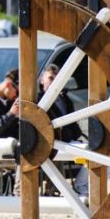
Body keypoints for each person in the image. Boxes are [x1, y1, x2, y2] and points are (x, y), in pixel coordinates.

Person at [38, 64, 88, 197]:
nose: (53, 82)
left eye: (56, 79)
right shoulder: (38, 99)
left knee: (97, 151)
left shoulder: (64, 98)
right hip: (47, 142)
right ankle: (72, 187)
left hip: (66, 141)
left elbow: (72, 127)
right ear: (42, 80)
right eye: (50, 78)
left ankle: (81, 185)